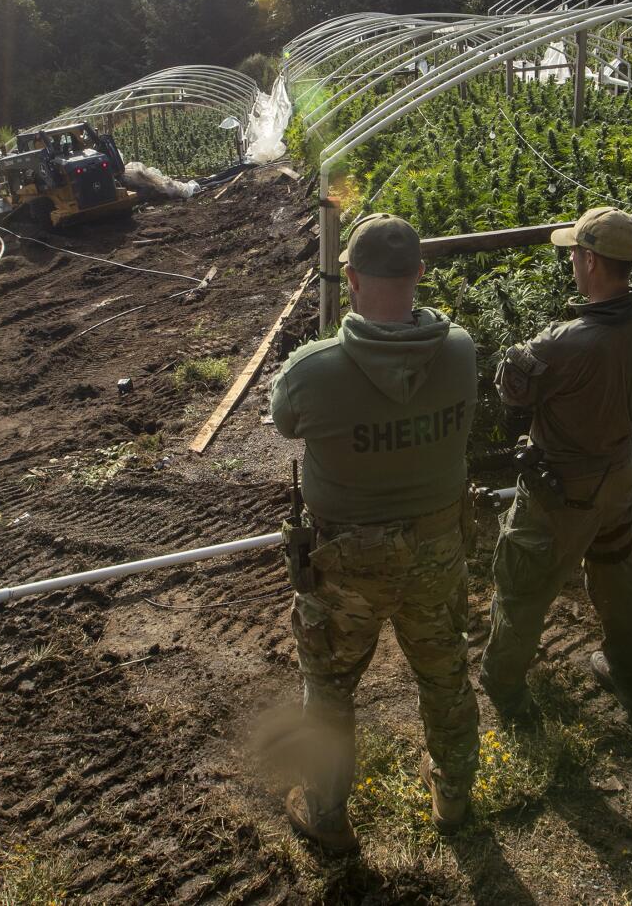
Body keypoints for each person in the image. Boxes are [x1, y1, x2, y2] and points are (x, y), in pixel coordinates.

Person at [269, 212, 480, 850]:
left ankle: (327, 815)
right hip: (439, 544)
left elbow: (284, 423)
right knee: (444, 673)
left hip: (347, 557)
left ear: (351, 279)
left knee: (329, 687)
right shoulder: (462, 349)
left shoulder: (315, 368)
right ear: (419, 273)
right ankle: (454, 798)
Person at [480, 206, 632, 721]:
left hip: (561, 490)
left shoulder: (564, 343)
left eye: (574, 256)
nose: (571, 264)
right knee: (614, 569)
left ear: (588, 260)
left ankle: (504, 687)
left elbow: (512, 392)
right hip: (618, 478)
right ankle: (628, 670)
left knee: (521, 587)